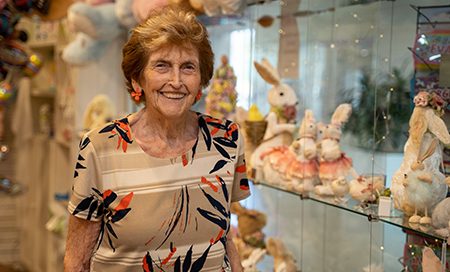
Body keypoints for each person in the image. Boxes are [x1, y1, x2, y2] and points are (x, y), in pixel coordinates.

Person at [63, 5, 250, 272]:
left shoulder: (227, 139)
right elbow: (77, 260)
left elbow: (225, 236)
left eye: (188, 67)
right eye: (162, 66)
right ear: (137, 79)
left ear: (201, 80)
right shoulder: (99, 146)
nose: (176, 80)